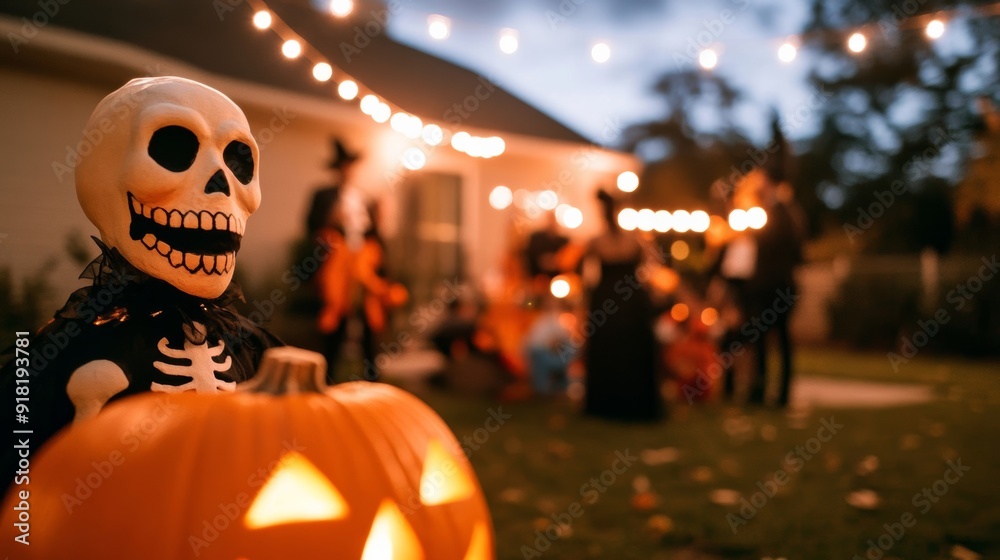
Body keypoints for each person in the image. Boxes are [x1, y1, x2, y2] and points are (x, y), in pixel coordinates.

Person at [581, 190, 663, 421]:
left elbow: (582, 271)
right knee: (631, 350)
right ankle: (636, 403)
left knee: (609, 350)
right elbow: (652, 264)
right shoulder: (636, 239)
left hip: (606, 299)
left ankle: (606, 405)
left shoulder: (596, 242)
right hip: (631, 300)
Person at [306, 139, 358, 382]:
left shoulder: (358, 198)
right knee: (324, 320)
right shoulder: (323, 194)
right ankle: (318, 374)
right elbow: (310, 225)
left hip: (350, 269)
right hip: (327, 267)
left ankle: (333, 374)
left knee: (344, 322)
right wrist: (331, 220)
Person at [354, 201, 407, 380]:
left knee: (376, 339)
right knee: (370, 341)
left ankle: (373, 375)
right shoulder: (370, 238)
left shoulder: (380, 238)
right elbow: (362, 271)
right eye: (382, 211)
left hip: (378, 299)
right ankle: (371, 376)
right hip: (371, 300)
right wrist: (381, 288)